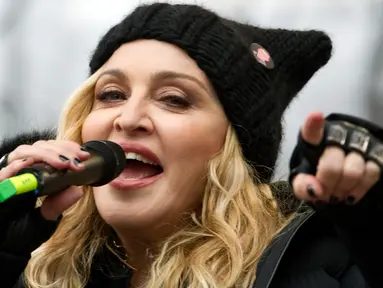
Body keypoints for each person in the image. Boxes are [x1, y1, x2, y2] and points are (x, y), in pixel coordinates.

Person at [0, 2, 382, 288]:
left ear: (233, 148)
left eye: (174, 99)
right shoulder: (35, 269)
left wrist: (370, 227)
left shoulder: (323, 266)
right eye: (112, 94)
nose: (129, 118)